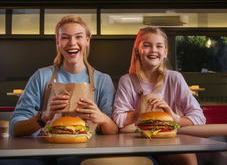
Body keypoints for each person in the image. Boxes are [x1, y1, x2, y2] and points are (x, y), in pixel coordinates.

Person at [7, 15, 118, 165]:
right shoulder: (41, 76)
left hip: (85, 152)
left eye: (78, 37)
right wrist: (44, 117)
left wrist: (101, 117)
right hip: (42, 152)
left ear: (87, 40)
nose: (72, 43)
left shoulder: (102, 80)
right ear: (58, 42)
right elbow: (16, 128)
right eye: (65, 38)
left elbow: (114, 130)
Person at [113, 27, 206, 165]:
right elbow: (118, 119)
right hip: (136, 143)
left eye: (159, 46)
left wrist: (173, 117)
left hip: (168, 142)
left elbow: (199, 117)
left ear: (165, 52)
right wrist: (141, 112)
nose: (153, 50)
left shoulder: (175, 78)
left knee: (187, 157)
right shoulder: (127, 80)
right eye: (147, 45)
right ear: (138, 50)